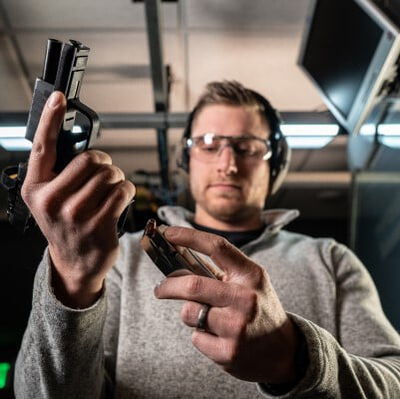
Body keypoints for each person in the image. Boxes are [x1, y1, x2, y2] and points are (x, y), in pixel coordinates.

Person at [14, 81, 400, 399]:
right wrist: (71, 281)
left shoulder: (330, 259)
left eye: (247, 147)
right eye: (209, 144)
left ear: (276, 163)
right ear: (187, 159)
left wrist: (299, 358)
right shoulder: (120, 257)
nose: (227, 163)